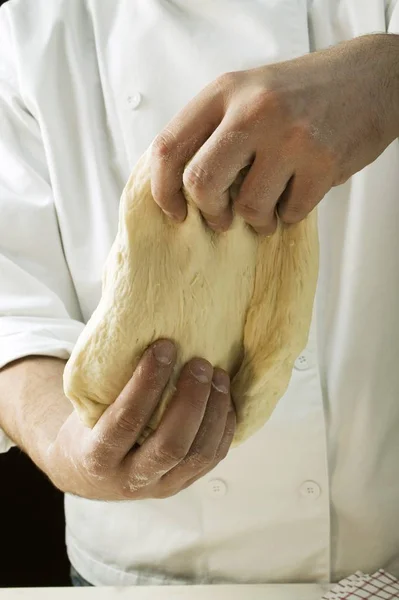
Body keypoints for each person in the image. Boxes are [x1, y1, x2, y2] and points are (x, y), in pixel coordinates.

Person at [0, 0, 399, 588]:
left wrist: (388, 74)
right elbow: (10, 298)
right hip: (142, 568)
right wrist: (64, 444)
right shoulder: (29, 21)